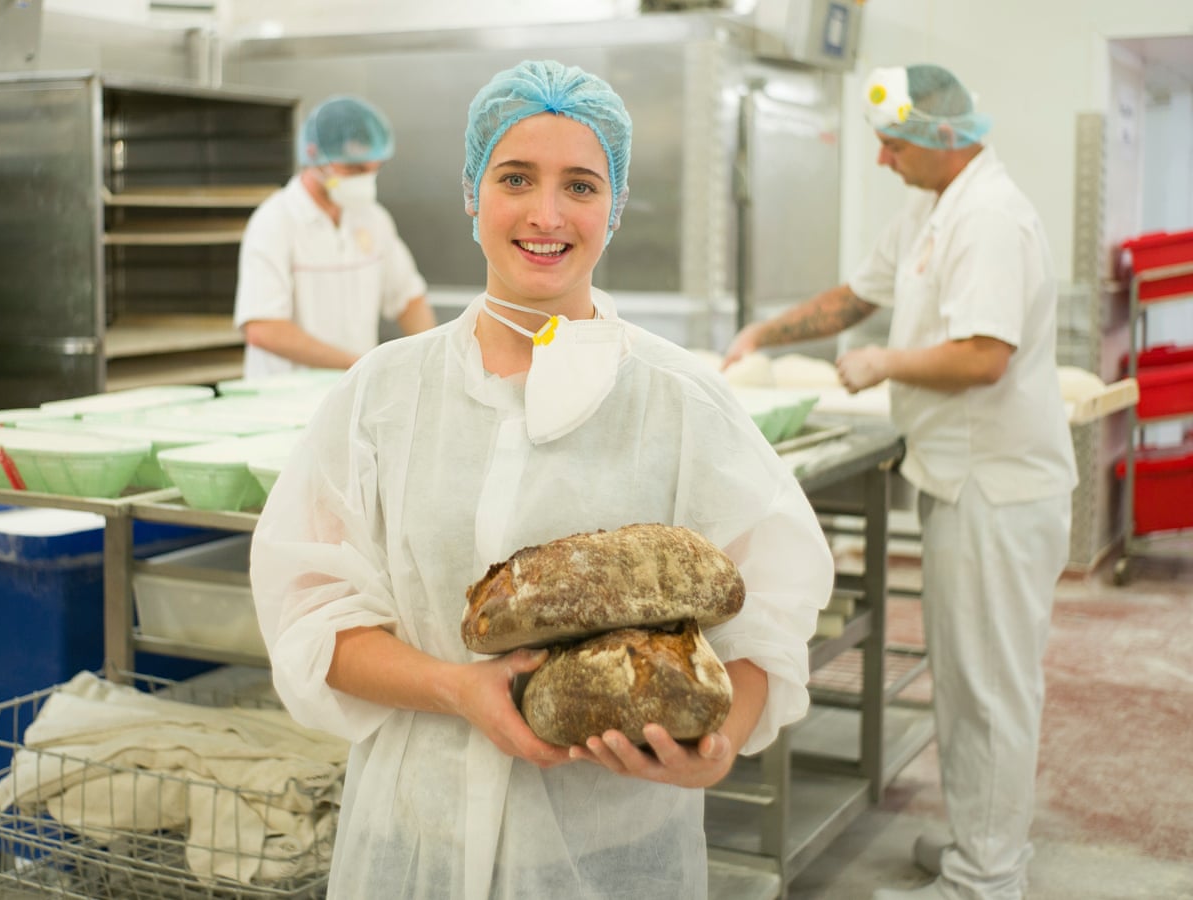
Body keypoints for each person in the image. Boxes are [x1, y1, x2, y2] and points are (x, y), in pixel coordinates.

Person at [249, 60, 834, 899]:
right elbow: (309, 610)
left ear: (616, 206)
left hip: (608, 851)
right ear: (472, 192)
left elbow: (771, 609)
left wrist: (720, 746)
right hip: (414, 845)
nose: (547, 214)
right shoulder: (383, 393)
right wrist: (455, 688)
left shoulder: (680, 401)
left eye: (582, 186)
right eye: (515, 178)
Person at [725, 64, 1078, 900]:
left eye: (892, 144)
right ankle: (978, 847)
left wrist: (885, 362)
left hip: (998, 489)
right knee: (967, 680)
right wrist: (764, 335)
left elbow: (984, 356)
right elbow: (856, 296)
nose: (882, 159)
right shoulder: (933, 209)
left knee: (989, 688)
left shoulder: (989, 218)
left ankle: (986, 880)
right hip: (961, 478)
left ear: (940, 140)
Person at [233, 94, 437, 380]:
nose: (365, 179)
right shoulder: (275, 222)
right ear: (314, 155)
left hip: (352, 391)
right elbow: (263, 328)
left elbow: (408, 298)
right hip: (285, 401)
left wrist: (434, 360)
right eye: (353, 169)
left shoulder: (372, 218)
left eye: (373, 169)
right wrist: (359, 365)